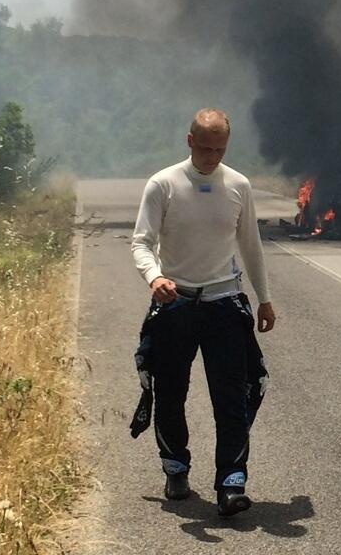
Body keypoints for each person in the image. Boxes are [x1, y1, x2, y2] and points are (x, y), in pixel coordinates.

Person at [131, 107, 276, 517]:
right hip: (175, 302)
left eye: (220, 150)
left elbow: (251, 245)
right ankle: (175, 465)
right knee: (171, 391)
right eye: (206, 148)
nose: (212, 157)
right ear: (190, 141)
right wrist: (154, 277)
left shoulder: (238, 185)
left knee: (231, 396)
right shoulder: (163, 184)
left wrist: (263, 298)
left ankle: (232, 480)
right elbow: (141, 242)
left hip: (224, 303)